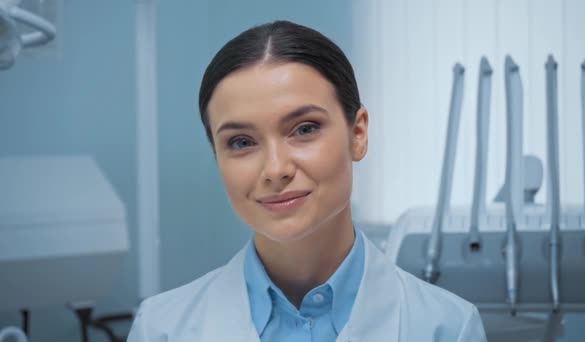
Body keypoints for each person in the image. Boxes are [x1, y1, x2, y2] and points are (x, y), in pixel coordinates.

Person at [127, 20, 487, 341]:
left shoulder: (447, 328)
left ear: (357, 134)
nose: (275, 168)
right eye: (241, 142)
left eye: (304, 129)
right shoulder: (161, 329)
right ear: (216, 155)